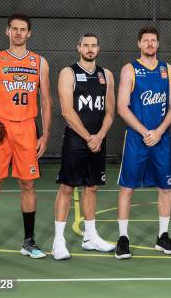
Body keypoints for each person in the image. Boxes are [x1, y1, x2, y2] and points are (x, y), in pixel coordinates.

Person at [0, 14, 51, 263]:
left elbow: (46, 100)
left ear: (29, 34)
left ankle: (29, 241)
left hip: (27, 128)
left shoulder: (39, 62)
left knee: (28, 184)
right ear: (7, 31)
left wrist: (45, 134)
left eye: (22, 29)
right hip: (0, 129)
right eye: (14, 29)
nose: (18, 33)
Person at [115, 27, 171, 259]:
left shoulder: (169, 70)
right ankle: (123, 239)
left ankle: (163, 236)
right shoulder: (129, 70)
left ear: (158, 44)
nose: (150, 44)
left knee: (166, 187)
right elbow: (122, 107)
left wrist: (159, 131)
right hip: (137, 138)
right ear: (139, 44)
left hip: (161, 139)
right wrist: (145, 132)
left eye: (154, 40)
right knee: (127, 187)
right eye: (146, 41)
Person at [52, 33, 116, 260]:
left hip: (98, 139)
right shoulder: (68, 73)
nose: (90, 49)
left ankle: (90, 237)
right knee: (67, 188)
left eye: (93, 45)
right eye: (85, 45)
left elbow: (110, 110)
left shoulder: (106, 75)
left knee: (92, 187)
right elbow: (66, 111)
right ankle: (58, 241)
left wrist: (99, 136)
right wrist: (88, 137)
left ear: (98, 48)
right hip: (76, 140)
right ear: (78, 47)